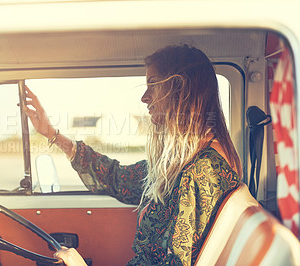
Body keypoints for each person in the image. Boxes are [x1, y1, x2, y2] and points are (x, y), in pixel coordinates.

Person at [24, 44, 242, 265]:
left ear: (179, 89)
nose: (144, 97)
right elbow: (116, 178)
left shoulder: (203, 172)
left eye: (153, 84)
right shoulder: (177, 165)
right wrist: (52, 134)